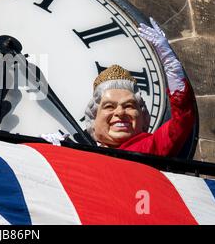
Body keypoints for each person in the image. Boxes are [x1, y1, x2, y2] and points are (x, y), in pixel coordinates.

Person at [41, 18, 195, 157]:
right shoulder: (78, 150)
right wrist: (48, 151)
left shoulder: (147, 147)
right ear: (93, 120)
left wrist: (170, 62)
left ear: (143, 119)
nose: (120, 113)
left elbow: (182, 119)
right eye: (109, 106)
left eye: (129, 106)